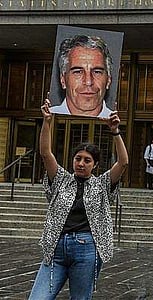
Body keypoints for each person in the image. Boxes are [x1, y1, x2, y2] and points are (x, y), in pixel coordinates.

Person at [29, 98, 128, 299]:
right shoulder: (61, 180)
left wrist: (115, 132)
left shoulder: (101, 184)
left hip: (86, 248)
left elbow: (123, 162)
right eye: (78, 159)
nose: (81, 163)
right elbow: (46, 153)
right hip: (56, 248)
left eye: (87, 160)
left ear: (95, 165)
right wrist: (47, 122)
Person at [49, 35, 114, 118]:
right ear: (63, 80)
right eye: (78, 72)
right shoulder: (46, 121)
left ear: (108, 80)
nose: (88, 82)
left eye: (97, 72)